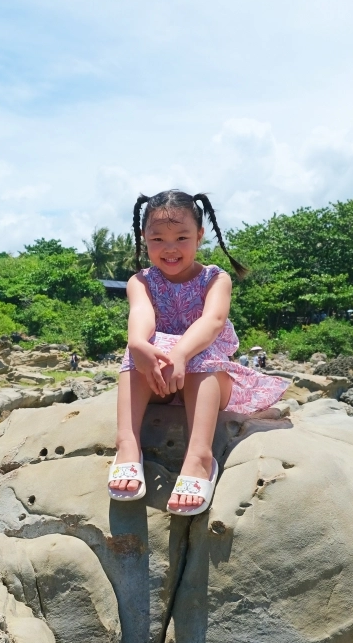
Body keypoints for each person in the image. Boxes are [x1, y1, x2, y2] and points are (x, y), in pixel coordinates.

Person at [107, 190, 289, 515]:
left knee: (199, 352)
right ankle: (127, 444)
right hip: (160, 383)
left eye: (181, 237)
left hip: (208, 382)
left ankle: (200, 457)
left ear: (199, 236)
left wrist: (180, 353)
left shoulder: (215, 279)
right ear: (145, 238)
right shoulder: (141, 281)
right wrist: (138, 343)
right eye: (158, 239)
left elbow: (212, 321)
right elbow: (141, 314)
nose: (170, 248)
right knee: (138, 349)